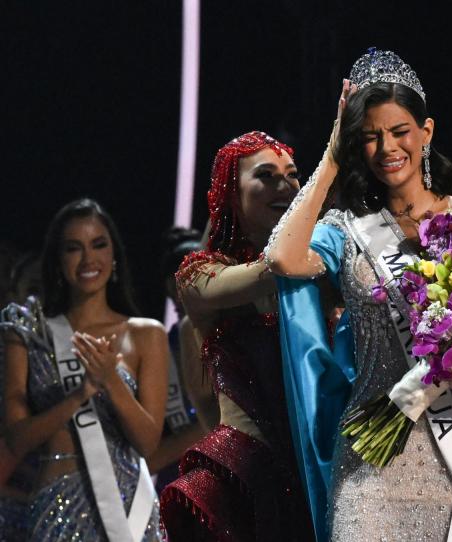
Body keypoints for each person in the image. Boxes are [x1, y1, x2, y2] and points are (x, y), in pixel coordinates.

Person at [266, 48, 452, 541]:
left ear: (426, 132)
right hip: (371, 469)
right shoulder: (345, 230)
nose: (386, 147)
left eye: (399, 132)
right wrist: (329, 157)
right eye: (369, 137)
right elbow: (282, 258)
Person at [159, 131, 314, 541]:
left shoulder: (317, 274)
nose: (285, 186)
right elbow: (273, 267)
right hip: (241, 482)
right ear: (231, 193)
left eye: (294, 174)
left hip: (316, 474)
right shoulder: (198, 277)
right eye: (266, 175)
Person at [2, 198, 168, 540]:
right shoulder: (29, 333)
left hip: (129, 512)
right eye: (73, 248)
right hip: (56, 511)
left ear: (114, 255)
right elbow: (17, 440)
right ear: (58, 261)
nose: (88, 259)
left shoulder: (146, 334)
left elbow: (148, 443)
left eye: (98, 245)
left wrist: (111, 381)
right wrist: (81, 393)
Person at [147, 227, 213, 493]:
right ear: (170, 287)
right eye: (193, 275)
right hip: (179, 496)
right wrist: (221, 422)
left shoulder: (240, 342)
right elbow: (144, 459)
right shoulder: (153, 353)